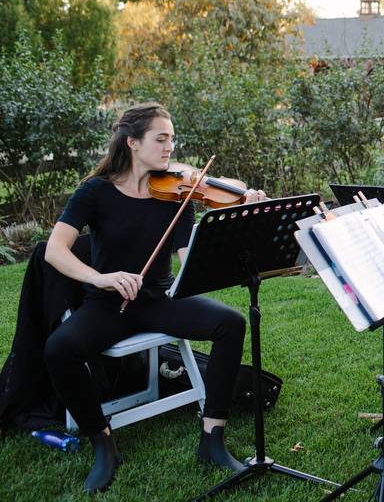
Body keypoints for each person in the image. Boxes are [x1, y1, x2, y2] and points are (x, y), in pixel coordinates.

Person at [43, 102, 268, 494]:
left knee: (230, 323)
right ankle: (103, 442)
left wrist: (245, 219)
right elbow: (55, 250)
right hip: (107, 303)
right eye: (161, 139)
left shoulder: (177, 196)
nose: (170, 147)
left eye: (172, 139)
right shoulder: (95, 192)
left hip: (160, 299)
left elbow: (190, 259)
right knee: (59, 348)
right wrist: (102, 277)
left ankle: (212, 437)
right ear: (132, 142)